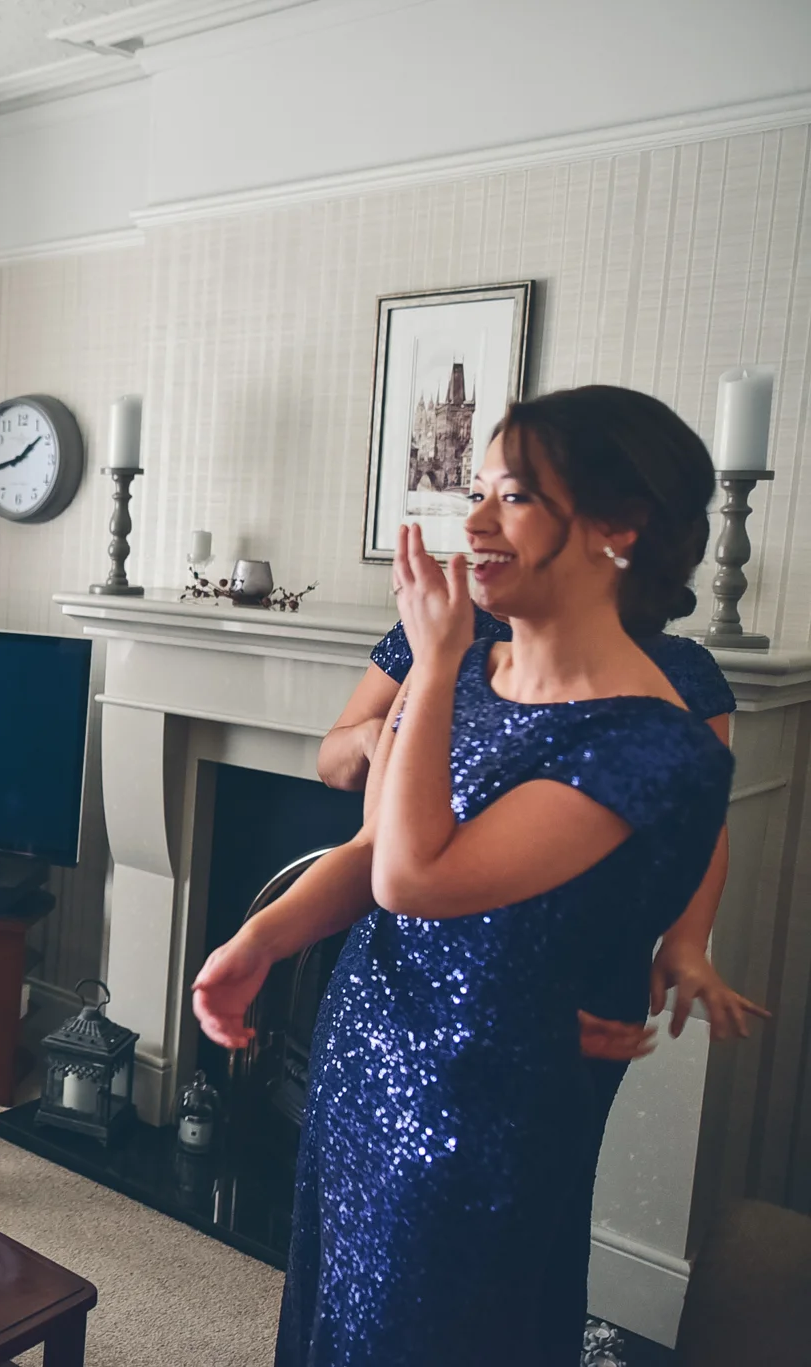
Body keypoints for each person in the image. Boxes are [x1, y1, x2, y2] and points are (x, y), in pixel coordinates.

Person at [195, 386, 735, 1366]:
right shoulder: (471, 677)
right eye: (475, 490)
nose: (472, 521)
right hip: (366, 1040)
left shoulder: (649, 740)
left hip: (481, 1100)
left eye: (515, 496)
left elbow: (415, 877)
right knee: (332, 1307)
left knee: (427, 1329)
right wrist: (258, 939)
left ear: (619, 527)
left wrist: (433, 665)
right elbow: (367, 857)